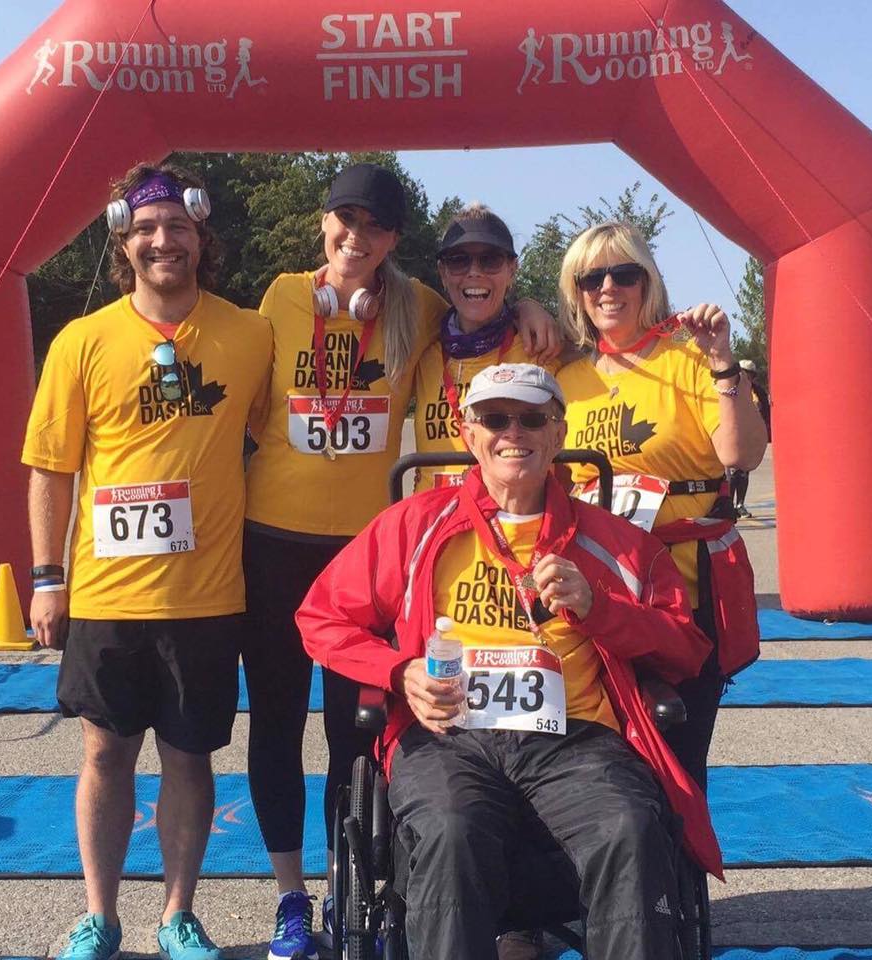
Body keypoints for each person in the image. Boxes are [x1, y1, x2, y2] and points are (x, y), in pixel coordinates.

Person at [296, 362, 723, 960]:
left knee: (627, 827)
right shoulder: (413, 526)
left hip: (576, 738)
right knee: (450, 830)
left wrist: (598, 609)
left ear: (558, 432)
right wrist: (397, 672)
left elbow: (685, 649)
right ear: (469, 433)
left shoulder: (618, 544)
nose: (513, 433)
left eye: (531, 419)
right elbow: (321, 617)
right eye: (496, 419)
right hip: (447, 737)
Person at [242, 163, 560, 959]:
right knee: (276, 722)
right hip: (273, 539)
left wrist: (531, 304)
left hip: (366, 550)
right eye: (344, 219)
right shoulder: (280, 297)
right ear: (323, 222)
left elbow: (481, 309)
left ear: (393, 240)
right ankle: (289, 897)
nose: (356, 236)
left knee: (354, 732)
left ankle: (362, 883)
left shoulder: (417, 308)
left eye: (375, 226)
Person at [22, 162, 271, 960]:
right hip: (107, 595)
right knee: (105, 753)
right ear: (123, 242)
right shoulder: (82, 341)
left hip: (207, 596)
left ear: (202, 234)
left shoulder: (250, 334)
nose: (164, 241)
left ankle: (177, 915)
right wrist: (47, 579)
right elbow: (50, 468)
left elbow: (281, 432)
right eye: (147, 230)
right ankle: (99, 915)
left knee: (190, 758)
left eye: (179, 228)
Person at [555, 220, 767, 794]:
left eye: (623, 274)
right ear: (575, 291)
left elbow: (742, 454)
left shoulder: (689, 358)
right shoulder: (564, 377)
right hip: (598, 591)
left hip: (683, 589)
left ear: (647, 282)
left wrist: (723, 361)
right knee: (600, 760)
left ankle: (680, 850)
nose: (607, 288)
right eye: (591, 278)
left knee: (679, 760)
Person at [413, 203, 563, 491]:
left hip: (511, 516)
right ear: (442, 272)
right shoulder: (425, 352)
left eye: (490, 260)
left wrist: (528, 306)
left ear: (512, 269)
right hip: (435, 515)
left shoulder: (540, 347)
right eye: (458, 261)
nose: (474, 272)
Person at [729, 359, 771, 519]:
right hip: (733, 434)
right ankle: (729, 504)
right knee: (732, 472)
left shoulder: (757, 392)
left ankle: (740, 504)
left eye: (749, 374)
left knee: (744, 472)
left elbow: (765, 412)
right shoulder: (731, 389)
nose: (746, 377)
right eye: (743, 373)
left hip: (750, 435)